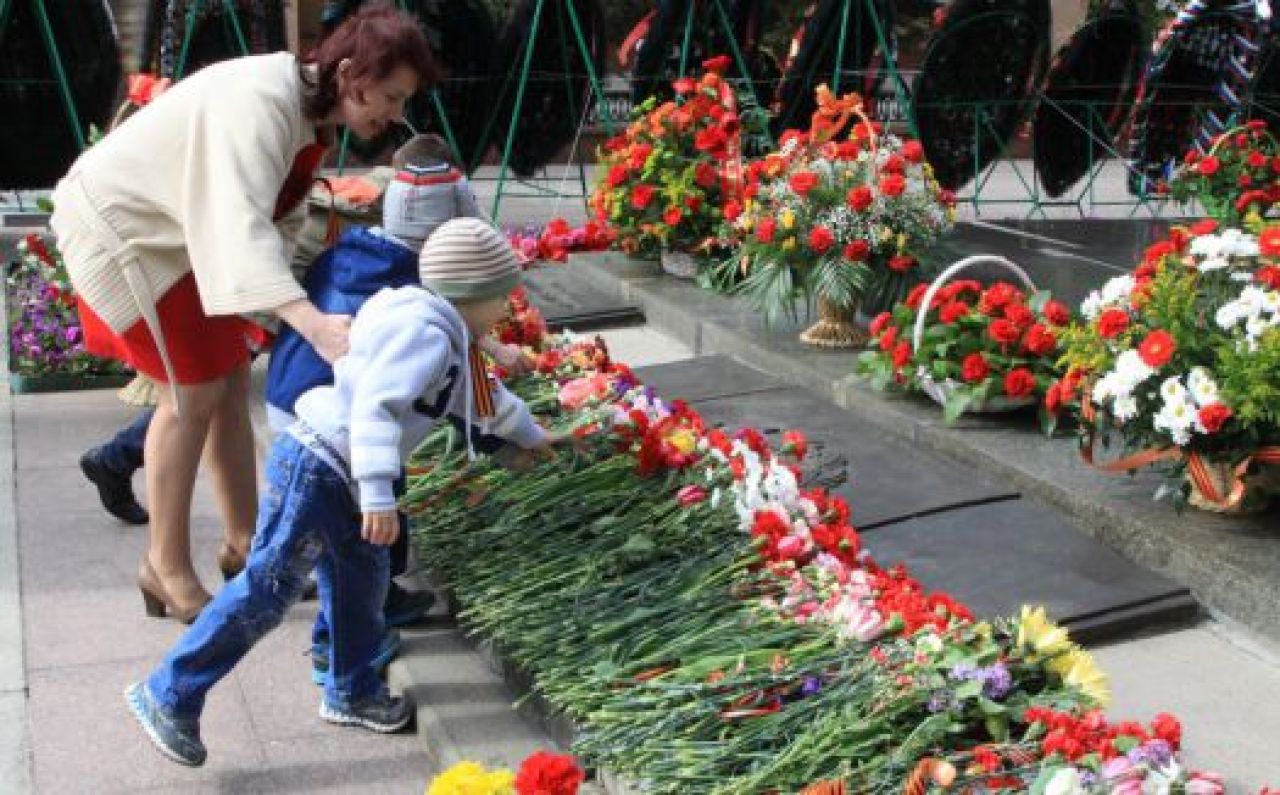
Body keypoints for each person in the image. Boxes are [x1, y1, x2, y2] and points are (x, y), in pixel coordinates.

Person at [49, 5, 438, 624]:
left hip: (182, 239)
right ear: (348, 72)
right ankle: (165, 568)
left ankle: (247, 548)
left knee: (230, 383)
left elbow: (271, 221)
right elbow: (237, 222)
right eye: (388, 96)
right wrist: (307, 319)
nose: (393, 115)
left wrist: (282, 305)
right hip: (130, 236)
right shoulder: (265, 101)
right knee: (191, 395)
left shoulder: (310, 111)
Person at [126, 218, 557, 766]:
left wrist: (533, 438)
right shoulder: (423, 335)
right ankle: (169, 693)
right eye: (503, 298)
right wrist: (379, 494)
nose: (504, 312)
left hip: (343, 471)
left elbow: (481, 394)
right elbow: (375, 405)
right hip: (323, 466)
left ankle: (351, 689)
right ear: (479, 295)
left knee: (362, 577)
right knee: (268, 587)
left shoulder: (441, 328)